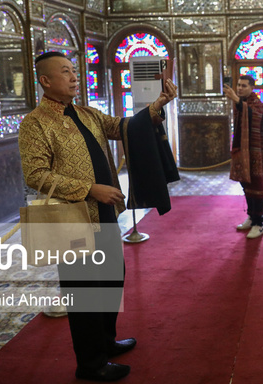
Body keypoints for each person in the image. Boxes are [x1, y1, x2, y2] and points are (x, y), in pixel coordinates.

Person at [18, 51, 177, 382]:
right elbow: (35, 175)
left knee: (109, 280)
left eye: (74, 71)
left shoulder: (86, 113)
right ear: (45, 81)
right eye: (65, 72)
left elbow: (124, 128)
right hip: (73, 218)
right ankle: (90, 364)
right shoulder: (35, 123)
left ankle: (106, 343)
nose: (74, 76)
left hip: (103, 213)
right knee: (85, 291)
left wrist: (159, 103)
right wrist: (90, 188)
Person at [223, 75, 263, 239]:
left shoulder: (256, 103)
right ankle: (251, 217)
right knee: (246, 184)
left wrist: (236, 100)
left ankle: (259, 223)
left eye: (244, 86)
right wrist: (237, 101)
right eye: (238, 85)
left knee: (256, 186)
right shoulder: (240, 103)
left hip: (255, 151)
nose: (240, 88)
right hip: (242, 150)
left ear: (252, 87)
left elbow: (251, 116)